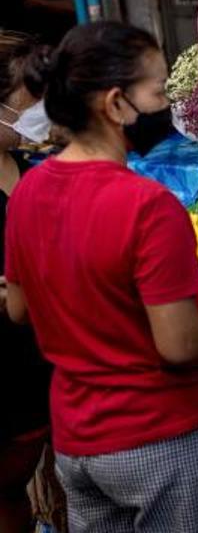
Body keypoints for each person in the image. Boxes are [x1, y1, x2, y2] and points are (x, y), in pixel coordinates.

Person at [4, 21, 198, 533]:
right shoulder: (147, 206)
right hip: (162, 437)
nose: (169, 104)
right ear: (115, 104)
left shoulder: (30, 192)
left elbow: (19, 309)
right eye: (159, 91)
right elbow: (178, 343)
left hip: (79, 445)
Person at [0, 32, 54, 533]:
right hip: (6, 366)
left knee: (16, 486)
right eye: (25, 105)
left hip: (39, 362)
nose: (36, 116)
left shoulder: (28, 165)